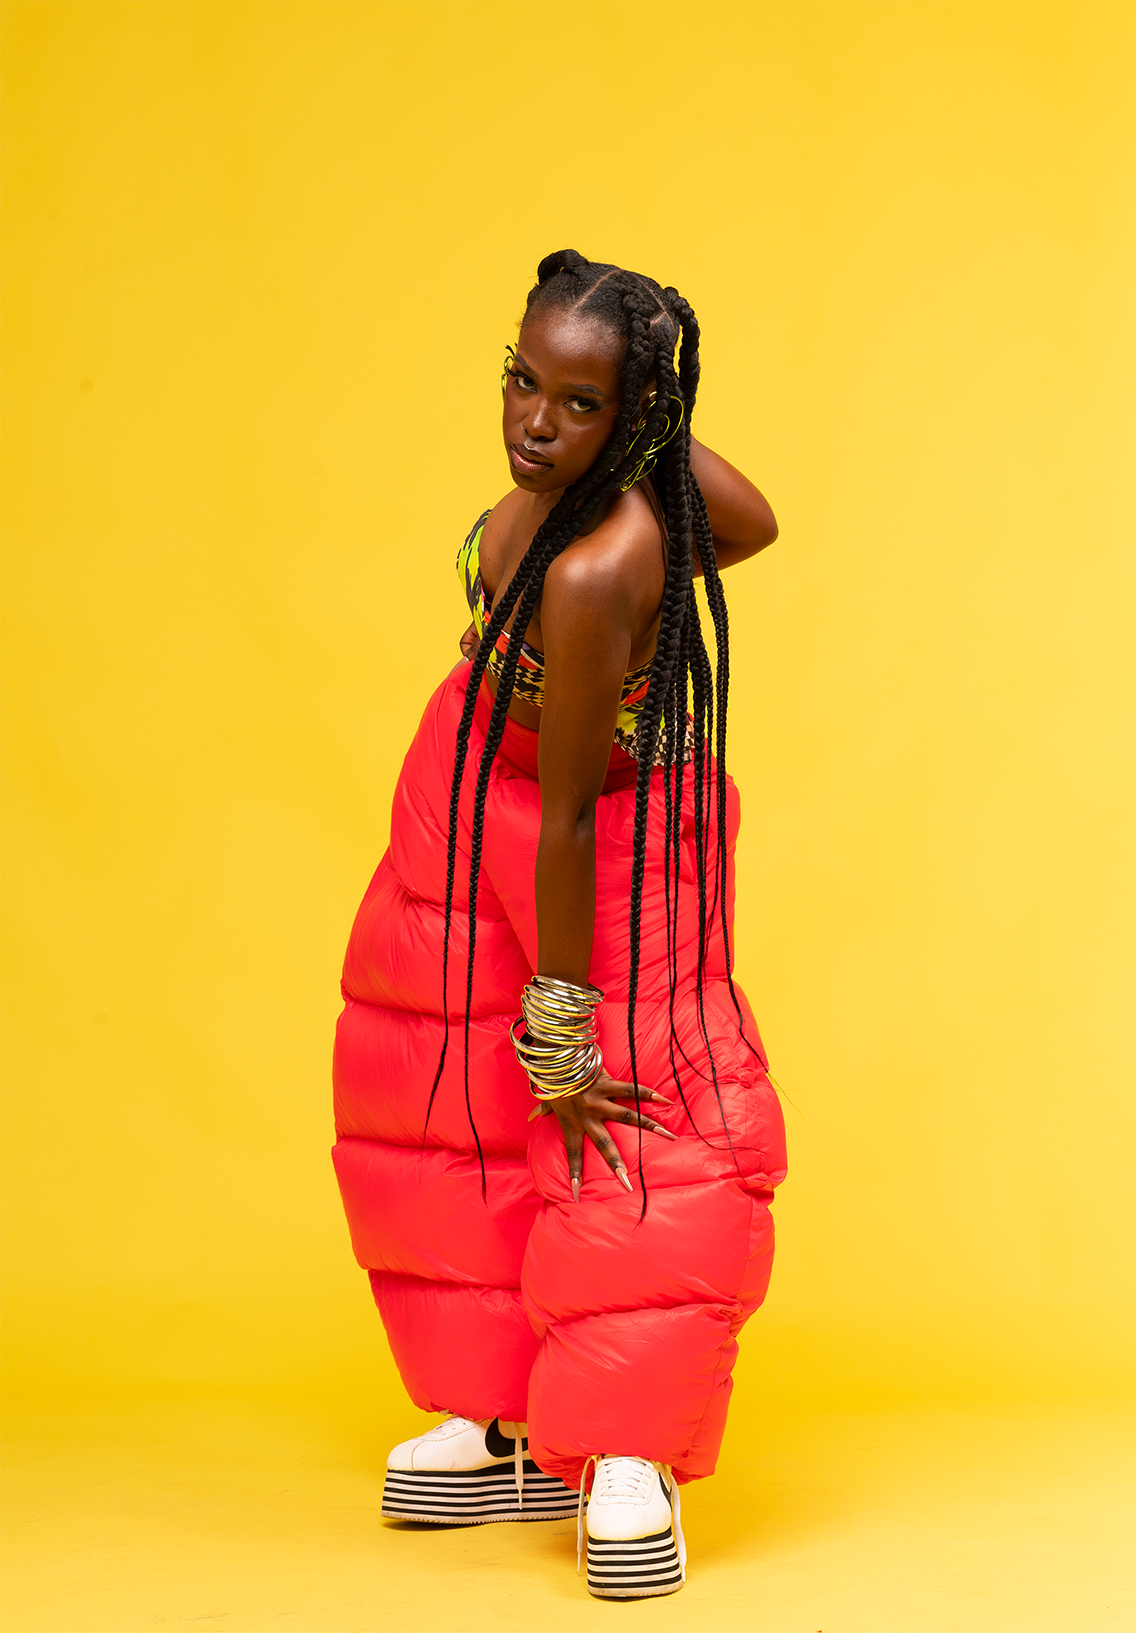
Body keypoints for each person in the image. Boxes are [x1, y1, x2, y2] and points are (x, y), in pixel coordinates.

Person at [332, 250, 787, 1599]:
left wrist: (564, 1022)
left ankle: (628, 1447)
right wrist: (627, 413)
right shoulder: (562, 489)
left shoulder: (602, 565)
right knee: (433, 1088)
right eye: (522, 382)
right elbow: (744, 522)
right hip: (473, 782)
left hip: (612, 836)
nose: (534, 422)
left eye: (581, 403)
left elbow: (585, 816)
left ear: (635, 413)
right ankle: (504, 1417)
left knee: (640, 1108)